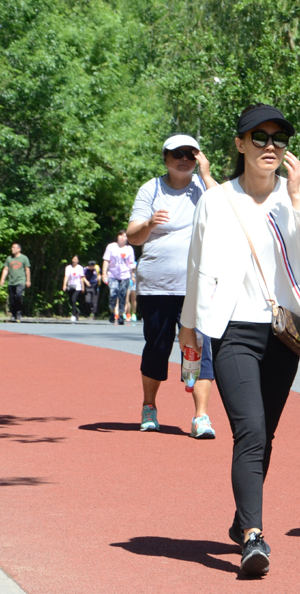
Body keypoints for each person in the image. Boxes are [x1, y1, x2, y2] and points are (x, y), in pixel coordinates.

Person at [180, 104, 300, 575]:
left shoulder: (295, 198)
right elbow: (196, 266)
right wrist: (188, 328)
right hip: (233, 331)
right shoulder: (216, 200)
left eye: (279, 139)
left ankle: (243, 516)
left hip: (284, 334)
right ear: (240, 144)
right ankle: (254, 537)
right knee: (250, 430)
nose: (270, 146)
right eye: (259, 137)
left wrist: (298, 196)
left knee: (265, 436)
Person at [127, 134, 218, 438]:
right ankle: (149, 407)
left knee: (199, 349)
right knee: (157, 347)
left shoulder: (205, 188)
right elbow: (133, 237)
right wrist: (150, 223)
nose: (183, 159)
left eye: (190, 154)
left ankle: (201, 417)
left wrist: (206, 174)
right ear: (165, 158)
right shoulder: (150, 189)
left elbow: (229, 215)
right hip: (157, 285)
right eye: (176, 153)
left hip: (197, 286)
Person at [102, 231, 136, 325]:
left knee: (123, 295)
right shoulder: (111, 247)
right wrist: (104, 273)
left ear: (127, 239)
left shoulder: (129, 249)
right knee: (113, 293)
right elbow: (106, 260)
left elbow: (131, 264)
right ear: (117, 236)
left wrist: (132, 276)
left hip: (125, 275)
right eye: (121, 235)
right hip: (112, 275)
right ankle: (112, 312)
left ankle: (121, 315)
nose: (122, 237)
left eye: (125, 236)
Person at [0, 243, 31, 322]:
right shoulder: (9, 258)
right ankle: (13, 314)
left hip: (21, 280)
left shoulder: (24, 258)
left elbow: (27, 269)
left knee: (19, 295)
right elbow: (6, 269)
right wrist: (2, 279)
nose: (12, 249)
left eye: (14, 248)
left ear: (19, 249)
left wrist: (28, 280)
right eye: (12, 248)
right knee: (12, 299)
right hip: (11, 281)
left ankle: (19, 312)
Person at [62, 255, 85, 321]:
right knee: (70, 301)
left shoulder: (80, 268)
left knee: (74, 299)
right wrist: (64, 285)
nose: (74, 260)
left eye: (76, 259)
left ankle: (73, 315)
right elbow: (66, 277)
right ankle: (77, 312)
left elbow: (81, 278)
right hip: (70, 286)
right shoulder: (68, 268)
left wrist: (83, 287)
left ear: (78, 261)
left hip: (77, 287)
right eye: (73, 259)